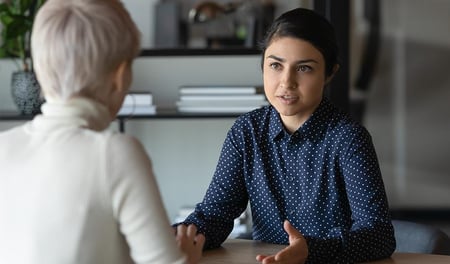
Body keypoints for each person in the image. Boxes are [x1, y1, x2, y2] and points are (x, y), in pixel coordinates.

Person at [175, 7, 396, 264]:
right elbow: (213, 217)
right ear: (263, 66)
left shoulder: (348, 138)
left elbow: (379, 235)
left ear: (330, 73)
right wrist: (169, 238)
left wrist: (311, 250)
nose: (286, 82)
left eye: (304, 69)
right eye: (276, 65)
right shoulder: (246, 132)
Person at [0, 0, 204, 263]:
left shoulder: (3, 146)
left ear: (39, 69)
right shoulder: (114, 152)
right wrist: (186, 256)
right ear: (120, 75)